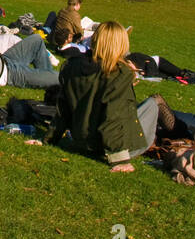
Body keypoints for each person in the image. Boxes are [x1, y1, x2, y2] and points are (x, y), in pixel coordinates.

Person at [48, 21, 160, 172]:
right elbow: (112, 116)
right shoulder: (118, 73)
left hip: (80, 140)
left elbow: (63, 108)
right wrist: (120, 160)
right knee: (154, 103)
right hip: (105, 148)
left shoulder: (73, 66)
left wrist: (49, 138)